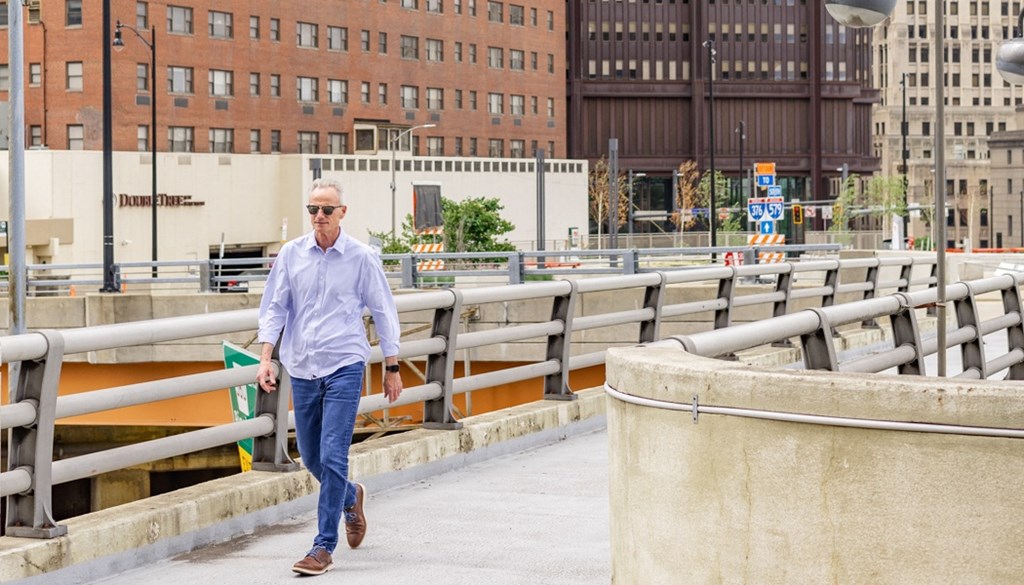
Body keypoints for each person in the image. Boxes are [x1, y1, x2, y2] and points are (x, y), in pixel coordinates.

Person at [256, 177, 403, 576]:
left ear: (342, 213)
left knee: (334, 453)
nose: (318, 217)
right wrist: (266, 357)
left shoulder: (361, 257)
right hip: (302, 365)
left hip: (344, 362)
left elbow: (384, 311)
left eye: (326, 210)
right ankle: (351, 497)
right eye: (312, 210)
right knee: (312, 455)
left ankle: (322, 547)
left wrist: (391, 365)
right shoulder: (291, 254)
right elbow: (275, 308)